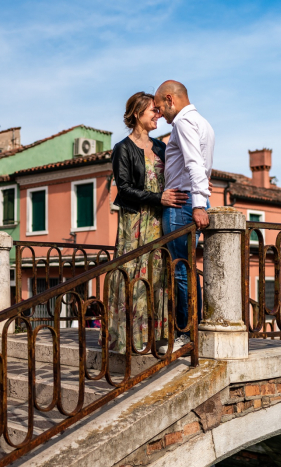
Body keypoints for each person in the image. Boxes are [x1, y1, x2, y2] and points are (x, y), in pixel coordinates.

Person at [101, 92, 189, 353]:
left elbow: (177, 174)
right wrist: (157, 197)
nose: (158, 115)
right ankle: (130, 338)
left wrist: (196, 182)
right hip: (135, 222)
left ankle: (157, 336)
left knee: (158, 276)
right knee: (133, 275)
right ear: (137, 113)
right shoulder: (123, 148)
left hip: (158, 221)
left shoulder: (161, 147)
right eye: (153, 111)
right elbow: (124, 189)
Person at [154, 81, 214, 352]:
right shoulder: (204, 123)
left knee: (180, 269)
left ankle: (186, 333)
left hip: (182, 203)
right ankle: (192, 328)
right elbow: (203, 165)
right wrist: (201, 195)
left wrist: (198, 203)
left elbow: (193, 163)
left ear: (170, 100)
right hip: (193, 198)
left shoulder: (181, 122)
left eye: (160, 108)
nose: (161, 115)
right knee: (186, 268)